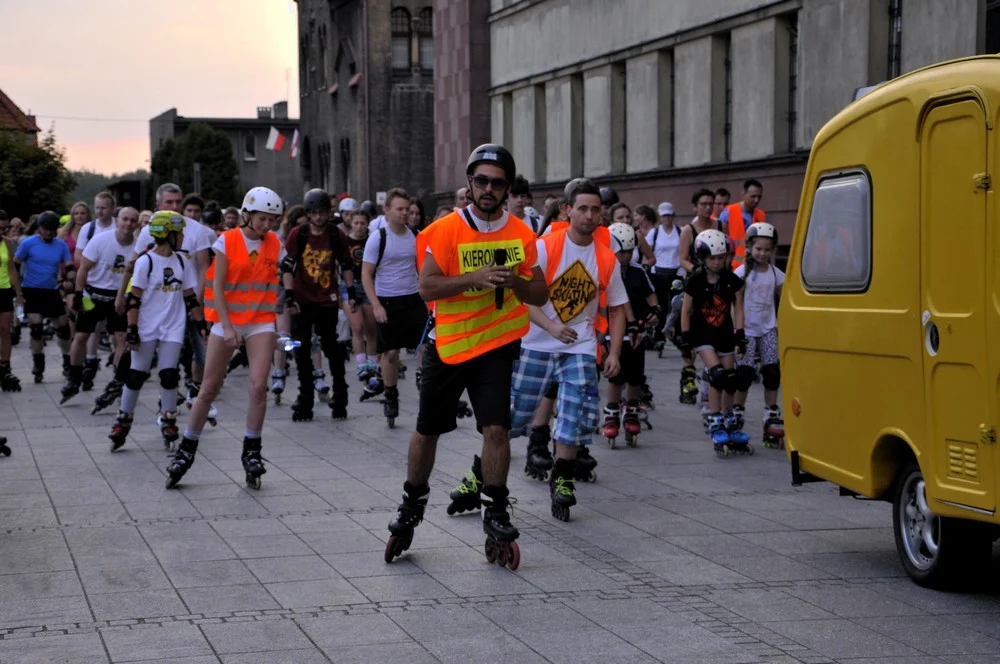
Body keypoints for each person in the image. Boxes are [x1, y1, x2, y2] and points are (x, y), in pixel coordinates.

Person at [385, 143, 548, 568]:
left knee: (496, 429)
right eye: (481, 180)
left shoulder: (522, 234)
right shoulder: (443, 230)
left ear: (508, 188)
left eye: (497, 182)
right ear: (469, 183)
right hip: (451, 344)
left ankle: (495, 508)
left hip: (495, 345)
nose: (488, 189)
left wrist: (516, 282)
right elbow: (427, 288)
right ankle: (412, 502)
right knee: (428, 429)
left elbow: (540, 293)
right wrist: (474, 277)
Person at [502, 178, 626, 522]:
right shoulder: (544, 246)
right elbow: (521, 298)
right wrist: (553, 326)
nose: (589, 215)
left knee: (573, 415)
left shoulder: (606, 257)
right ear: (567, 210)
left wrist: (613, 353)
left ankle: (563, 479)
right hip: (537, 344)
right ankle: (480, 472)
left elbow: (616, 309)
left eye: (595, 209)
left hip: (581, 348)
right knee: (513, 417)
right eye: (582, 208)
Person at [166, 187, 284, 490]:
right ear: (247, 214)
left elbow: (279, 276)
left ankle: (252, 451)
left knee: (259, 386)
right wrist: (228, 328)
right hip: (227, 321)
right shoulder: (226, 241)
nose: (267, 225)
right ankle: (186, 449)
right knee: (209, 388)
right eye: (262, 218)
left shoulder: (275, 243)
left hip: (260, 321)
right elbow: (216, 288)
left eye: (272, 220)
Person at [109, 212, 201, 451]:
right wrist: (131, 329)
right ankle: (123, 420)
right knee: (136, 376)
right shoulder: (145, 262)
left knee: (169, 375)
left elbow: (190, 298)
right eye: (179, 232)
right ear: (167, 233)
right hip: (145, 327)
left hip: (173, 327)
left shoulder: (182, 261)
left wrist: (202, 325)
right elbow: (134, 300)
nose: (182, 237)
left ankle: (169, 420)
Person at [281, 188, 354, 422]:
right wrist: (290, 294)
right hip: (302, 301)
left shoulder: (335, 235)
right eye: (314, 213)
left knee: (331, 348)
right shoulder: (298, 234)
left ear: (328, 212)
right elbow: (287, 266)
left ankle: (340, 396)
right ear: (308, 214)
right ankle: (305, 399)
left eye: (322, 212)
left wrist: (351, 292)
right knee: (301, 350)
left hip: (327, 301)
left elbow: (346, 265)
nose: (319, 218)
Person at [679, 229, 748, 456]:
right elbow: (686, 310)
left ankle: (729, 417)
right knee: (717, 375)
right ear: (702, 257)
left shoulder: (731, 280)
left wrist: (740, 333)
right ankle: (716, 418)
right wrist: (686, 338)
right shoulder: (695, 280)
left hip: (725, 334)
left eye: (721, 257)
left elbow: (738, 307)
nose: (718, 262)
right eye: (713, 258)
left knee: (731, 380)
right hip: (702, 336)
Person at [361, 187, 426, 427]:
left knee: (426, 346)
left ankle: (428, 392)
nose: (405, 214)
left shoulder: (415, 236)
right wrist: (376, 305)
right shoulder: (379, 237)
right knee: (390, 353)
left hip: (413, 298)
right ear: (387, 210)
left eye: (407, 210)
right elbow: (366, 274)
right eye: (399, 209)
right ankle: (390, 395)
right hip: (387, 300)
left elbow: (421, 269)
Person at [61, 208, 139, 404]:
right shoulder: (100, 240)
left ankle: (118, 379)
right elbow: (83, 268)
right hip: (93, 293)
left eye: (132, 221)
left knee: (121, 337)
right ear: (117, 220)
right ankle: (74, 376)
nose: (128, 224)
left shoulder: (137, 247)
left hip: (118, 296)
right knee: (81, 335)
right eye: (125, 220)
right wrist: (78, 294)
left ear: (137, 224)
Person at [603, 223, 660, 447]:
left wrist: (655, 310)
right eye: (621, 252)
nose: (625, 256)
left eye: (629, 251)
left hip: (638, 333)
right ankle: (612, 412)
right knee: (616, 377)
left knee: (635, 376)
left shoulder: (638, 271)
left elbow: (651, 295)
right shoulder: (606, 270)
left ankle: (632, 410)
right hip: (613, 334)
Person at [733, 222, 784, 448]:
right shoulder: (742, 273)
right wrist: (737, 331)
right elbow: (735, 304)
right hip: (746, 330)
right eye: (758, 249)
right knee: (743, 374)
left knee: (772, 372)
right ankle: (737, 413)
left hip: (768, 329)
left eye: (767, 249)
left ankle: (770, 414)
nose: (762, 253)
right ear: (750, 248)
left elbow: (785, 301)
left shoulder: (776, 274)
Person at [674, 188, 724, 404]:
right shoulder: (689, 230)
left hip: (717, 284)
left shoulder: (720, 226)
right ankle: (688, 373)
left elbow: (726, 254)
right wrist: (697, 269)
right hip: (695, 284)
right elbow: (682, 258)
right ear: (695, 206)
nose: (707, 207)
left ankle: (710, 371)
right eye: (703, 204)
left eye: (711, 204)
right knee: (690, 328)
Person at [14, 212, 74, 383]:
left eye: (52, 230)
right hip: (31, 290)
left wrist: (70, 277)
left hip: (51, 290)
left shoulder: (60, 245)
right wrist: (16, 289)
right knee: (36, 327)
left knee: (63, 328)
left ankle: (67, 361)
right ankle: (38, 364)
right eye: (45, 229)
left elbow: (69, 265)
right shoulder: (28, 244)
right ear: (39, 228)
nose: (48, 232)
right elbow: (16, 265)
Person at [343, 209, 378, 383]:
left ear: (367, 224)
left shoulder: (372, 240)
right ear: (351, 222)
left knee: (371, 328)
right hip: (351, 285)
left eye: (362, 223)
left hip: (369, 284)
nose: (359, 226)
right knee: (357, 327)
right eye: (356, 223)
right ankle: (361, 364)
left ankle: (373, 363)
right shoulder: (345, 241)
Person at [646, 201, 681, 350]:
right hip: (658, 272)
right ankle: (658, 336)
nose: (667, 219)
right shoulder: (654, 233)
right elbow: (647, 251)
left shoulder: (679, 231)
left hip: (675, 272)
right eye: (664, 216)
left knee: (676, 304)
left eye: (670, 216)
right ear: (660, 217)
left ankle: (678, 333)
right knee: (660, 305)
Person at [719, 179, 765, 269]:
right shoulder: (728, 212)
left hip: (754, 266)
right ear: (743, 194)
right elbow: (722, 242)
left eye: (759, 197)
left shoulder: (761, 215)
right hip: (732, 267)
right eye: (753, 196)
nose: (756, 200)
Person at [0, 214, 23, 392]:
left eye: (4, 229)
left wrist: (18, 293)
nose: (1, 232)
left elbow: (12, 269)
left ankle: (5, 366)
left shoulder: (7, 243)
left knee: (5, 330)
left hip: (4, 290)